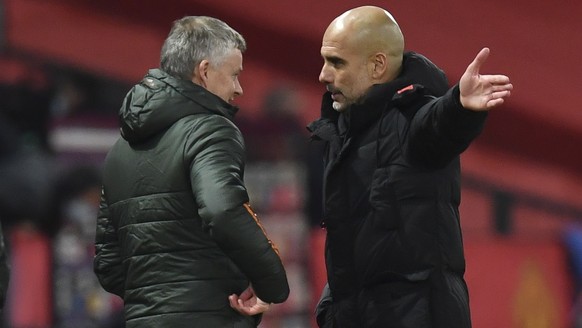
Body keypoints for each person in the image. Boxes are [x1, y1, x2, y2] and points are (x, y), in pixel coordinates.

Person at [307, 6, 513, 328]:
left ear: (377, 66)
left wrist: (459, 105)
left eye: (336, 62)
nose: (323, 74)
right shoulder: (342, 129)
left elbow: (437, 126)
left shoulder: (411, 116)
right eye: (324, 60)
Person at [93, 16, 289, 328]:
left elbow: (107, 264)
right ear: (205, 70)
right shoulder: (211, 129)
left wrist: (154, 301)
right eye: (235, 75)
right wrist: (272, 284)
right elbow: (222, 209)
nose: (238, 89)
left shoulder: (120, 148)